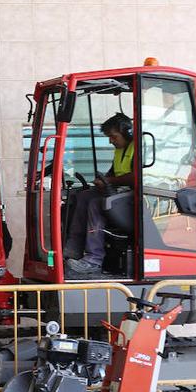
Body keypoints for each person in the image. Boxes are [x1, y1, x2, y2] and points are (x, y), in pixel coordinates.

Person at [64, 113, 135, 276]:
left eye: (113, 137)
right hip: (119, 191)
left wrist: (108, 181)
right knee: (83, 196)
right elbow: (114, 172)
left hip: (134, 196)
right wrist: (102, 180)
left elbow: (135, 176)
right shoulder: (120, 149)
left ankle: (94, 259)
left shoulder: (136, 148)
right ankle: (74, 249)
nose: (110, 141)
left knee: (96, 204)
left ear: (127, 133)